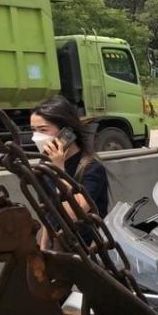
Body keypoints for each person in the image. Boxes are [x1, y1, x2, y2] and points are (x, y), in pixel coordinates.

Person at [30, 95, 109, 245]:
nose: (36, 137)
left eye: (43, 130)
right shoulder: (45, 166)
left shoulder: (91, 167)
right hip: (59, 247)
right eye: (33, 130)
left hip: (87, 250)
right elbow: (50, 214)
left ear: (66, 133)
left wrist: (59, 170)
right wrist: (44, 249)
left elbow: (73, 214)